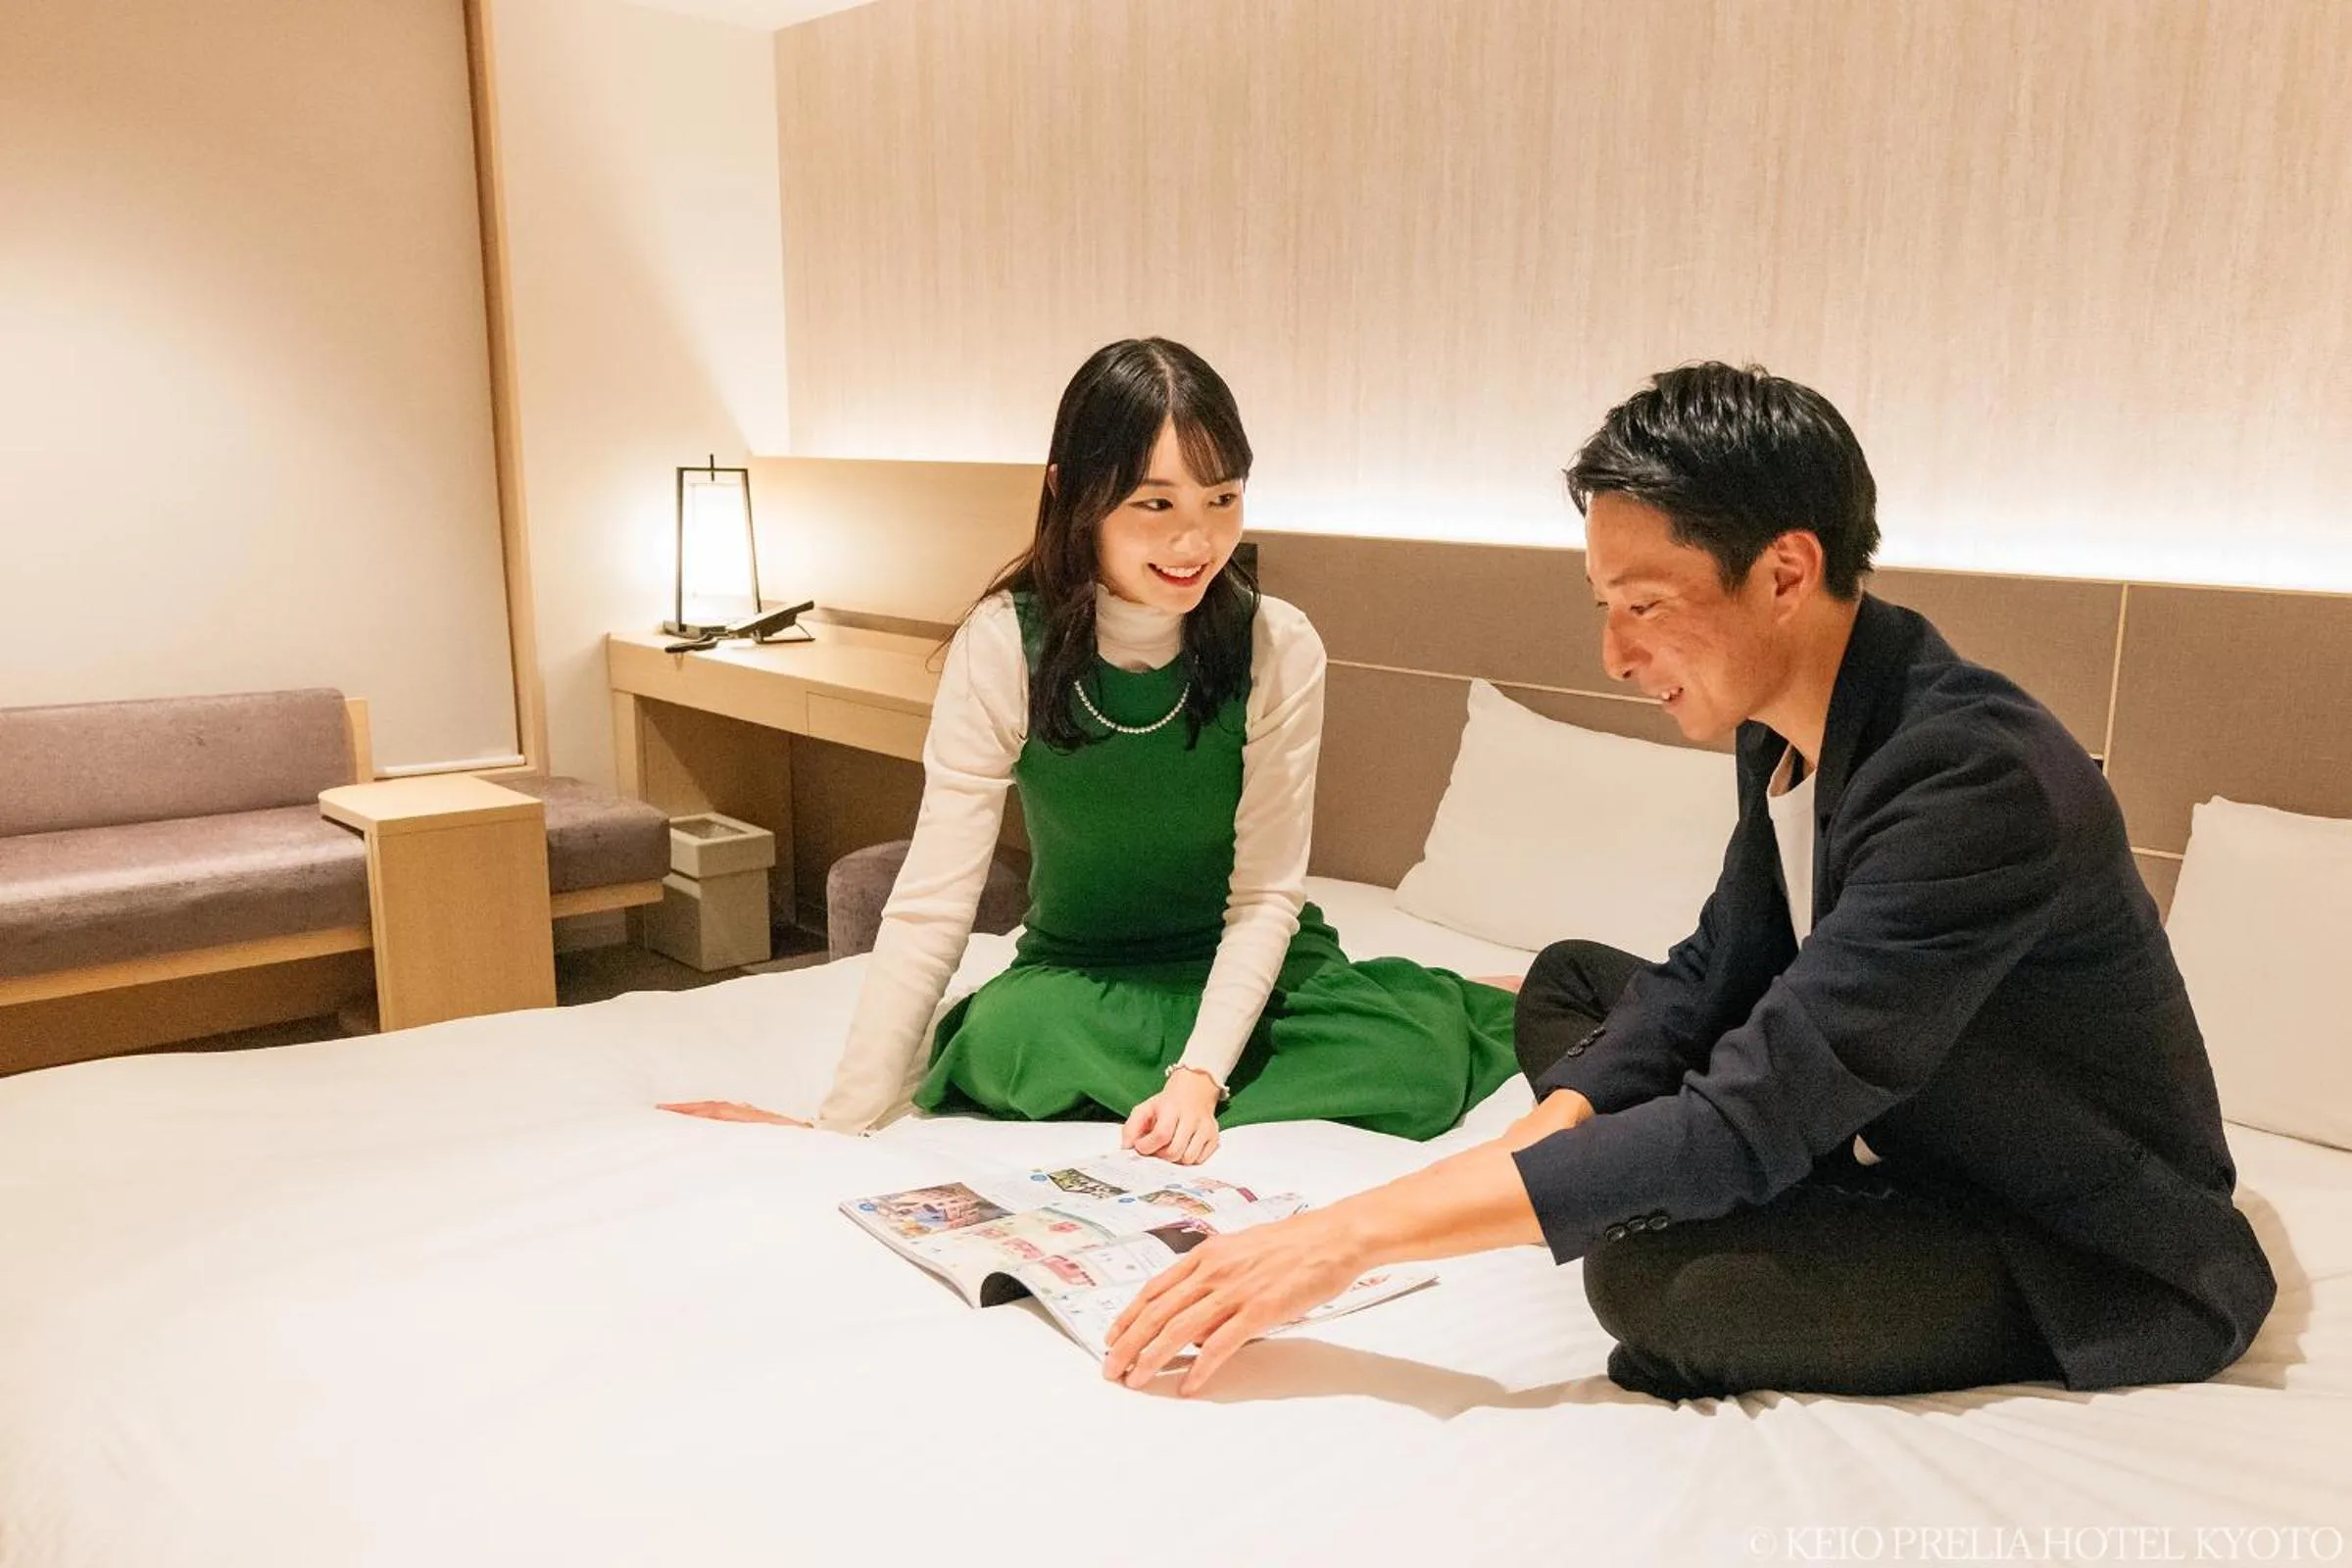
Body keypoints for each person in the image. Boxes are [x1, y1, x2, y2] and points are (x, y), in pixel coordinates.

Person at [1101, 362, 2276, 1398]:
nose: (1615, 655)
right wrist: (1559, 1129)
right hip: (1867, 1109)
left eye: (1646, 607)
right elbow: (1720, 964)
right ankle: (1641, 1161)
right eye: (1605, 607)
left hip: (2050, 1221)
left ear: (1784, 572)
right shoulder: (1792, 720)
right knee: (1569, 984)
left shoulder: (1975, 780)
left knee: (1650, 1278)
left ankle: (1666, 1179)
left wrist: (1348, 1236)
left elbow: (1760, 1098)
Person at [666, 337, 1516, 1162]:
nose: (1197, 543)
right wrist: (839, 1125)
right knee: (1002, 1046)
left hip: (1254, 969)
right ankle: (1209, 1064)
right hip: (1082, 973)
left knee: (1410, 1067)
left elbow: (1264, 897)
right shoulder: (1003, 645)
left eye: (1222, 500)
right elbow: (934, 900)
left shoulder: (1277, 644)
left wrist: (1197, 1079)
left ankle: (1446, 1002)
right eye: (1157, 504)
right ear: (1074, 495)